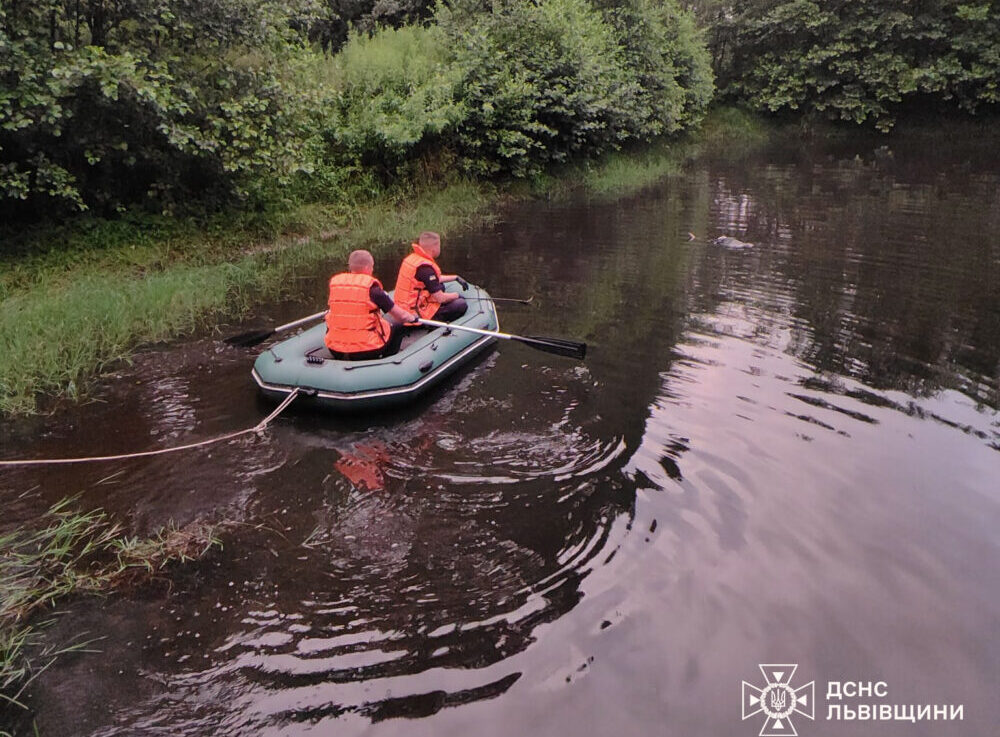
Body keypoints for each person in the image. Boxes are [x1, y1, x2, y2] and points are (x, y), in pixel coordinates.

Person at [325, 250, 419, 360]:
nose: (372, 270)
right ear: (367, 268)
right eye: (372, 267)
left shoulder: (336, 285)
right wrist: (413, 318)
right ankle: (389, 359)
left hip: (335, 349)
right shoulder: (373, 290)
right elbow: (401, 316)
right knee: (398, 325)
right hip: (365, 350)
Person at [393, 231, 469, 324]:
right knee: (460, 305)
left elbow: (433, 280)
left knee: (440, 286)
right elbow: (441, 298)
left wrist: (455, 277)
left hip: (402, 309)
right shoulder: (426, 269)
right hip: (415, 314)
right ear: (433, 248)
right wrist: (456, 295)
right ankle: (433, 325)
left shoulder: (413, 259)